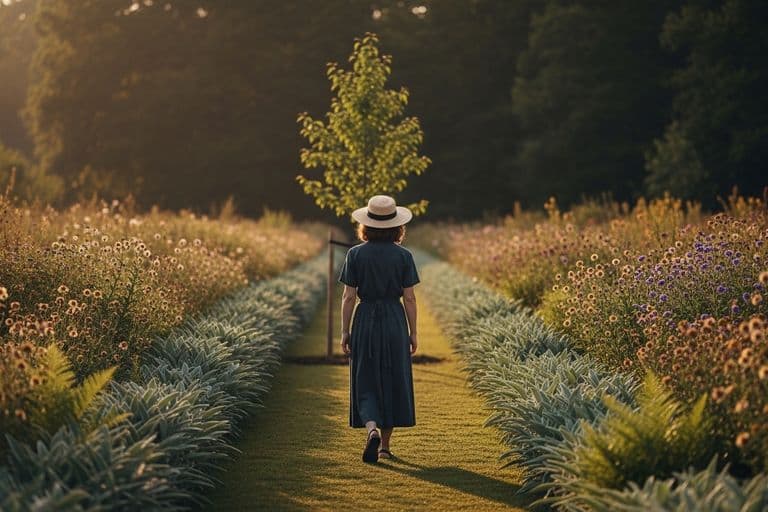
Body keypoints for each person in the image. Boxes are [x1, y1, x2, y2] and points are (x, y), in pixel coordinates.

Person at [339, 195, 419, 464]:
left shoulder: (355, 254)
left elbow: (349, 297)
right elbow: (409, 297)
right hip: (394, 320)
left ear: (367, 225)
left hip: (365, 320)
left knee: (366, 379)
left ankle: (370, 428)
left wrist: (345, 331)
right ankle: (384, 446)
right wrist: (413, 332)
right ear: (397, 226)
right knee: (393, 378)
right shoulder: (404, 256)